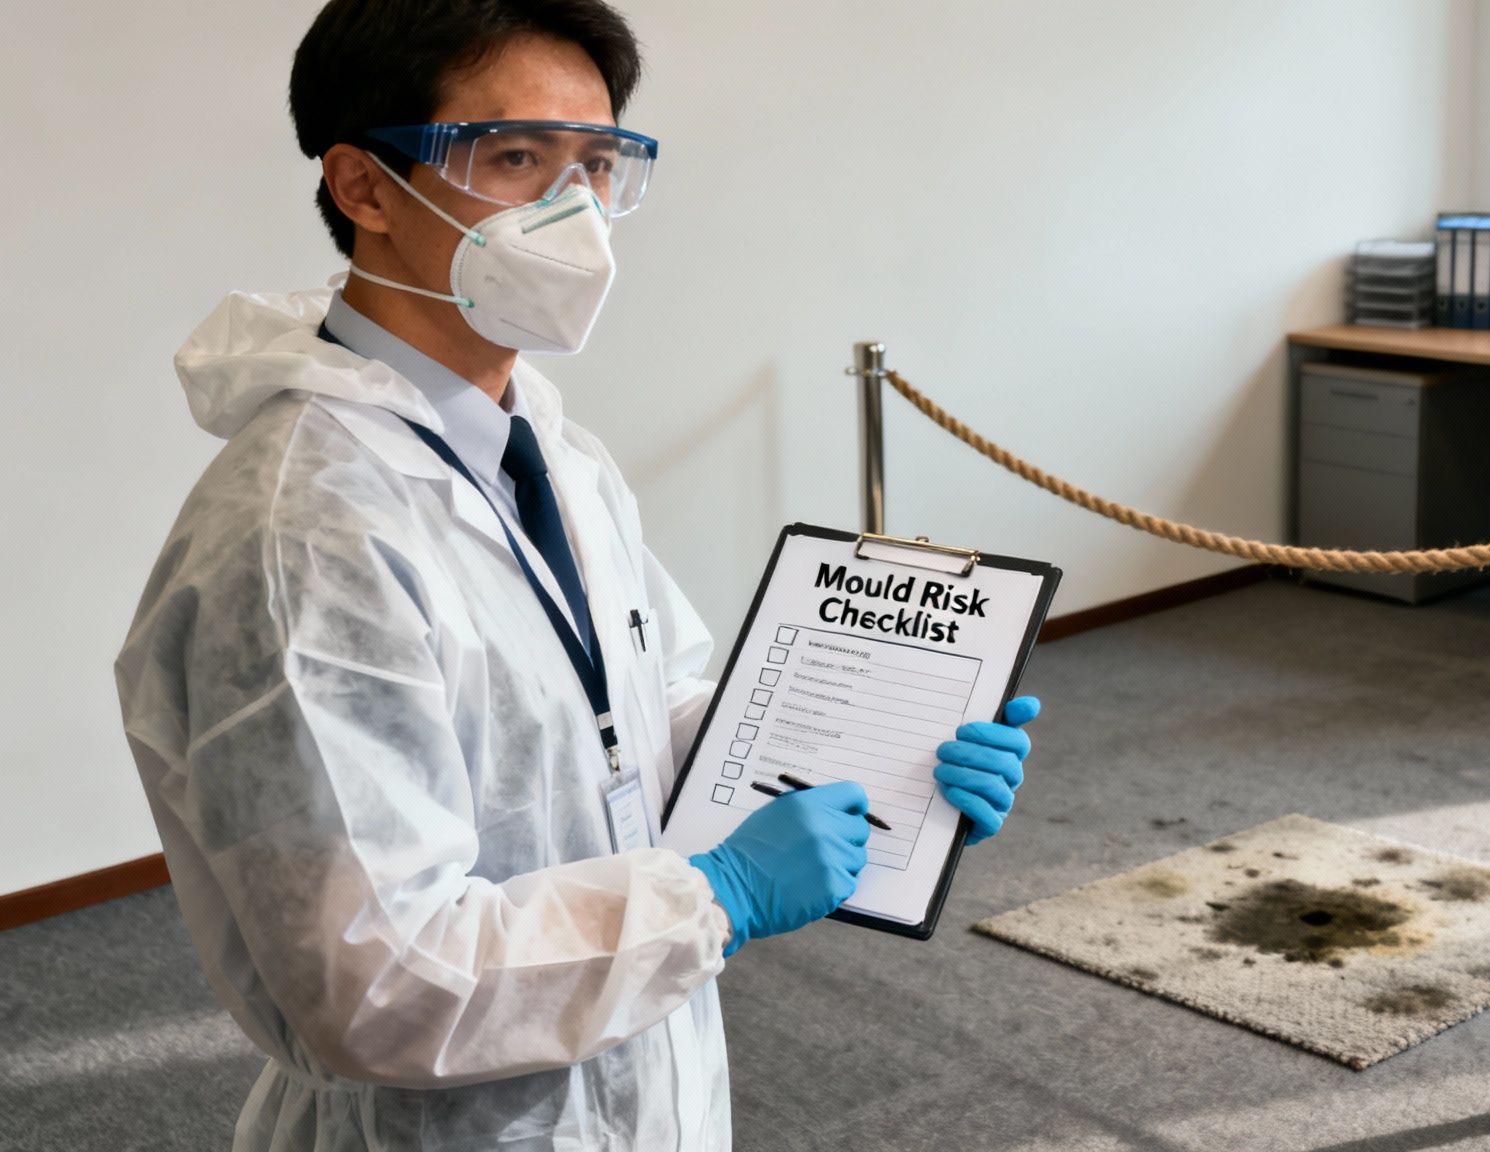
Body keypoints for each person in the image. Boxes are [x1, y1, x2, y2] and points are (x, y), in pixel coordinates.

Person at [112, 2, 1040, 1148]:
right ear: (363, 189)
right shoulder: (303, 532)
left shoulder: (539, 440)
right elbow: (376, 983)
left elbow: (635, 716)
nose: (577, 213)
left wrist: (890, 770)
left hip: (630, 1070)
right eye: (515, 159)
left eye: (598, 165)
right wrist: (717, 896)